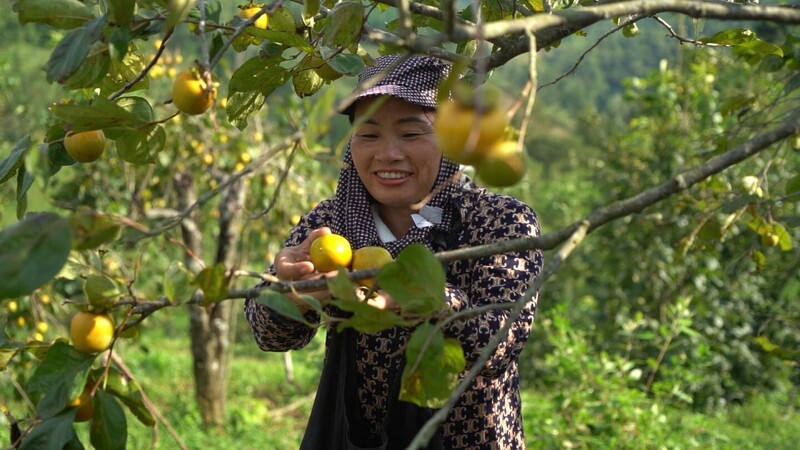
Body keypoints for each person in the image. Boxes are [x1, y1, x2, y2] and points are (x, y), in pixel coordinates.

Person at [244, 53, 544, 449]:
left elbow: (499, 344)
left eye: (412, 132)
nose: (387, 154)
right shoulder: (331, 225)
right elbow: (266, 331)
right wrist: (290, 295)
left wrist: (428, 297)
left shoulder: (500, 224)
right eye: (368, 135)